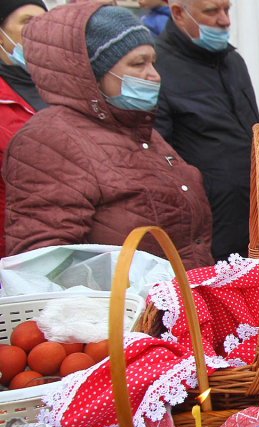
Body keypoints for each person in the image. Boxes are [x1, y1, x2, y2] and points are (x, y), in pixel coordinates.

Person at [4, 3, 213, 268]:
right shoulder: (50, 140)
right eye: (138, 64)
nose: (154, 76)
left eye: (152, 62)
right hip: (125, 308)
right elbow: (45, 264)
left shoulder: (138, 130)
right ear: (89, 73)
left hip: (178, 304)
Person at [156, 0, 259, 262]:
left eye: (227, 10)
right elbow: (160, 161)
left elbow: (250, 131)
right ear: (179, 13)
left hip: (252, 223)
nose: (225, 20)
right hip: (207, 234)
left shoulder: (233, 61)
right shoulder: (158, 69)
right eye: (212, 11)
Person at [0, 0, 45, 258]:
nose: (37, 30)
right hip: (13, 248)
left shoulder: (66, 87)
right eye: (27, 22)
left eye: (43, 22)